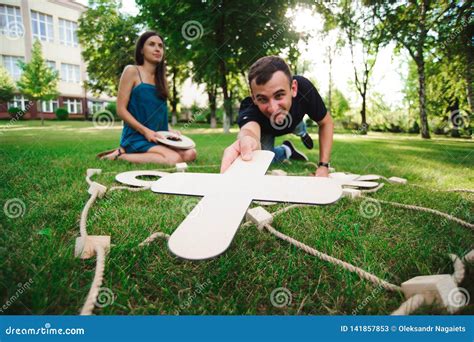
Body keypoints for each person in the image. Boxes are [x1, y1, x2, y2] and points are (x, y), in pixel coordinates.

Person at [220, 56, 334, 177]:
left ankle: (302, 133)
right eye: (263, 99)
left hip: (294, 121)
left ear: (293, 88)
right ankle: (286, 150)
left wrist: (323, 166)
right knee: (264, 160)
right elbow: (249, 131)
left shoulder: (304, 89)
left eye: (279, 95)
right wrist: (247, 140)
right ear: (253, 97)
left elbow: (326, 123)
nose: (273, 109)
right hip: (268, 130)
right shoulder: (249, 107)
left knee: (298, 125)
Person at [97, 31, 197, 164]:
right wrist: (145, 131)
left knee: (191, 153)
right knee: (174, 159)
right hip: (137, 137)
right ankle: (119, 155)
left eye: (160, 46)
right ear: (141, 50)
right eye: (151, 44)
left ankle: (137, 152)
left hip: (158, 137)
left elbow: (159, 114)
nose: (157, 49)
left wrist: (170, 132)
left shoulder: (161, 79)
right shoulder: (132, 71)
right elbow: (121, 110)